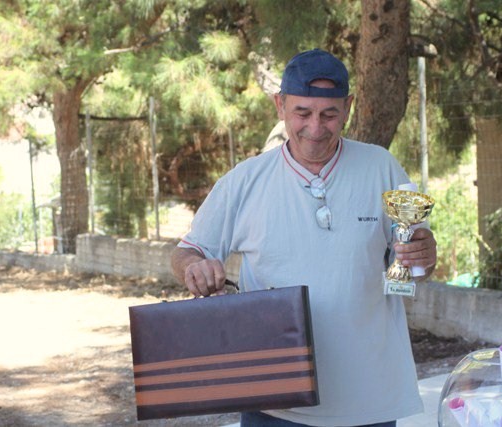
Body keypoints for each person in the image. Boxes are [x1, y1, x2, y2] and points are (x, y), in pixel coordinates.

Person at [171, 48, 437, 427]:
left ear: (348, 108)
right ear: (280, 105)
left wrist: (424, 255)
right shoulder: (244, 181)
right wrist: (194, 269)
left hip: (369, 398)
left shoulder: (381, 166)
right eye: (302, 113)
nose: (315, 128)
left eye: (329, 114)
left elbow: (411, 265)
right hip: (275, 400)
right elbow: (187, 252)